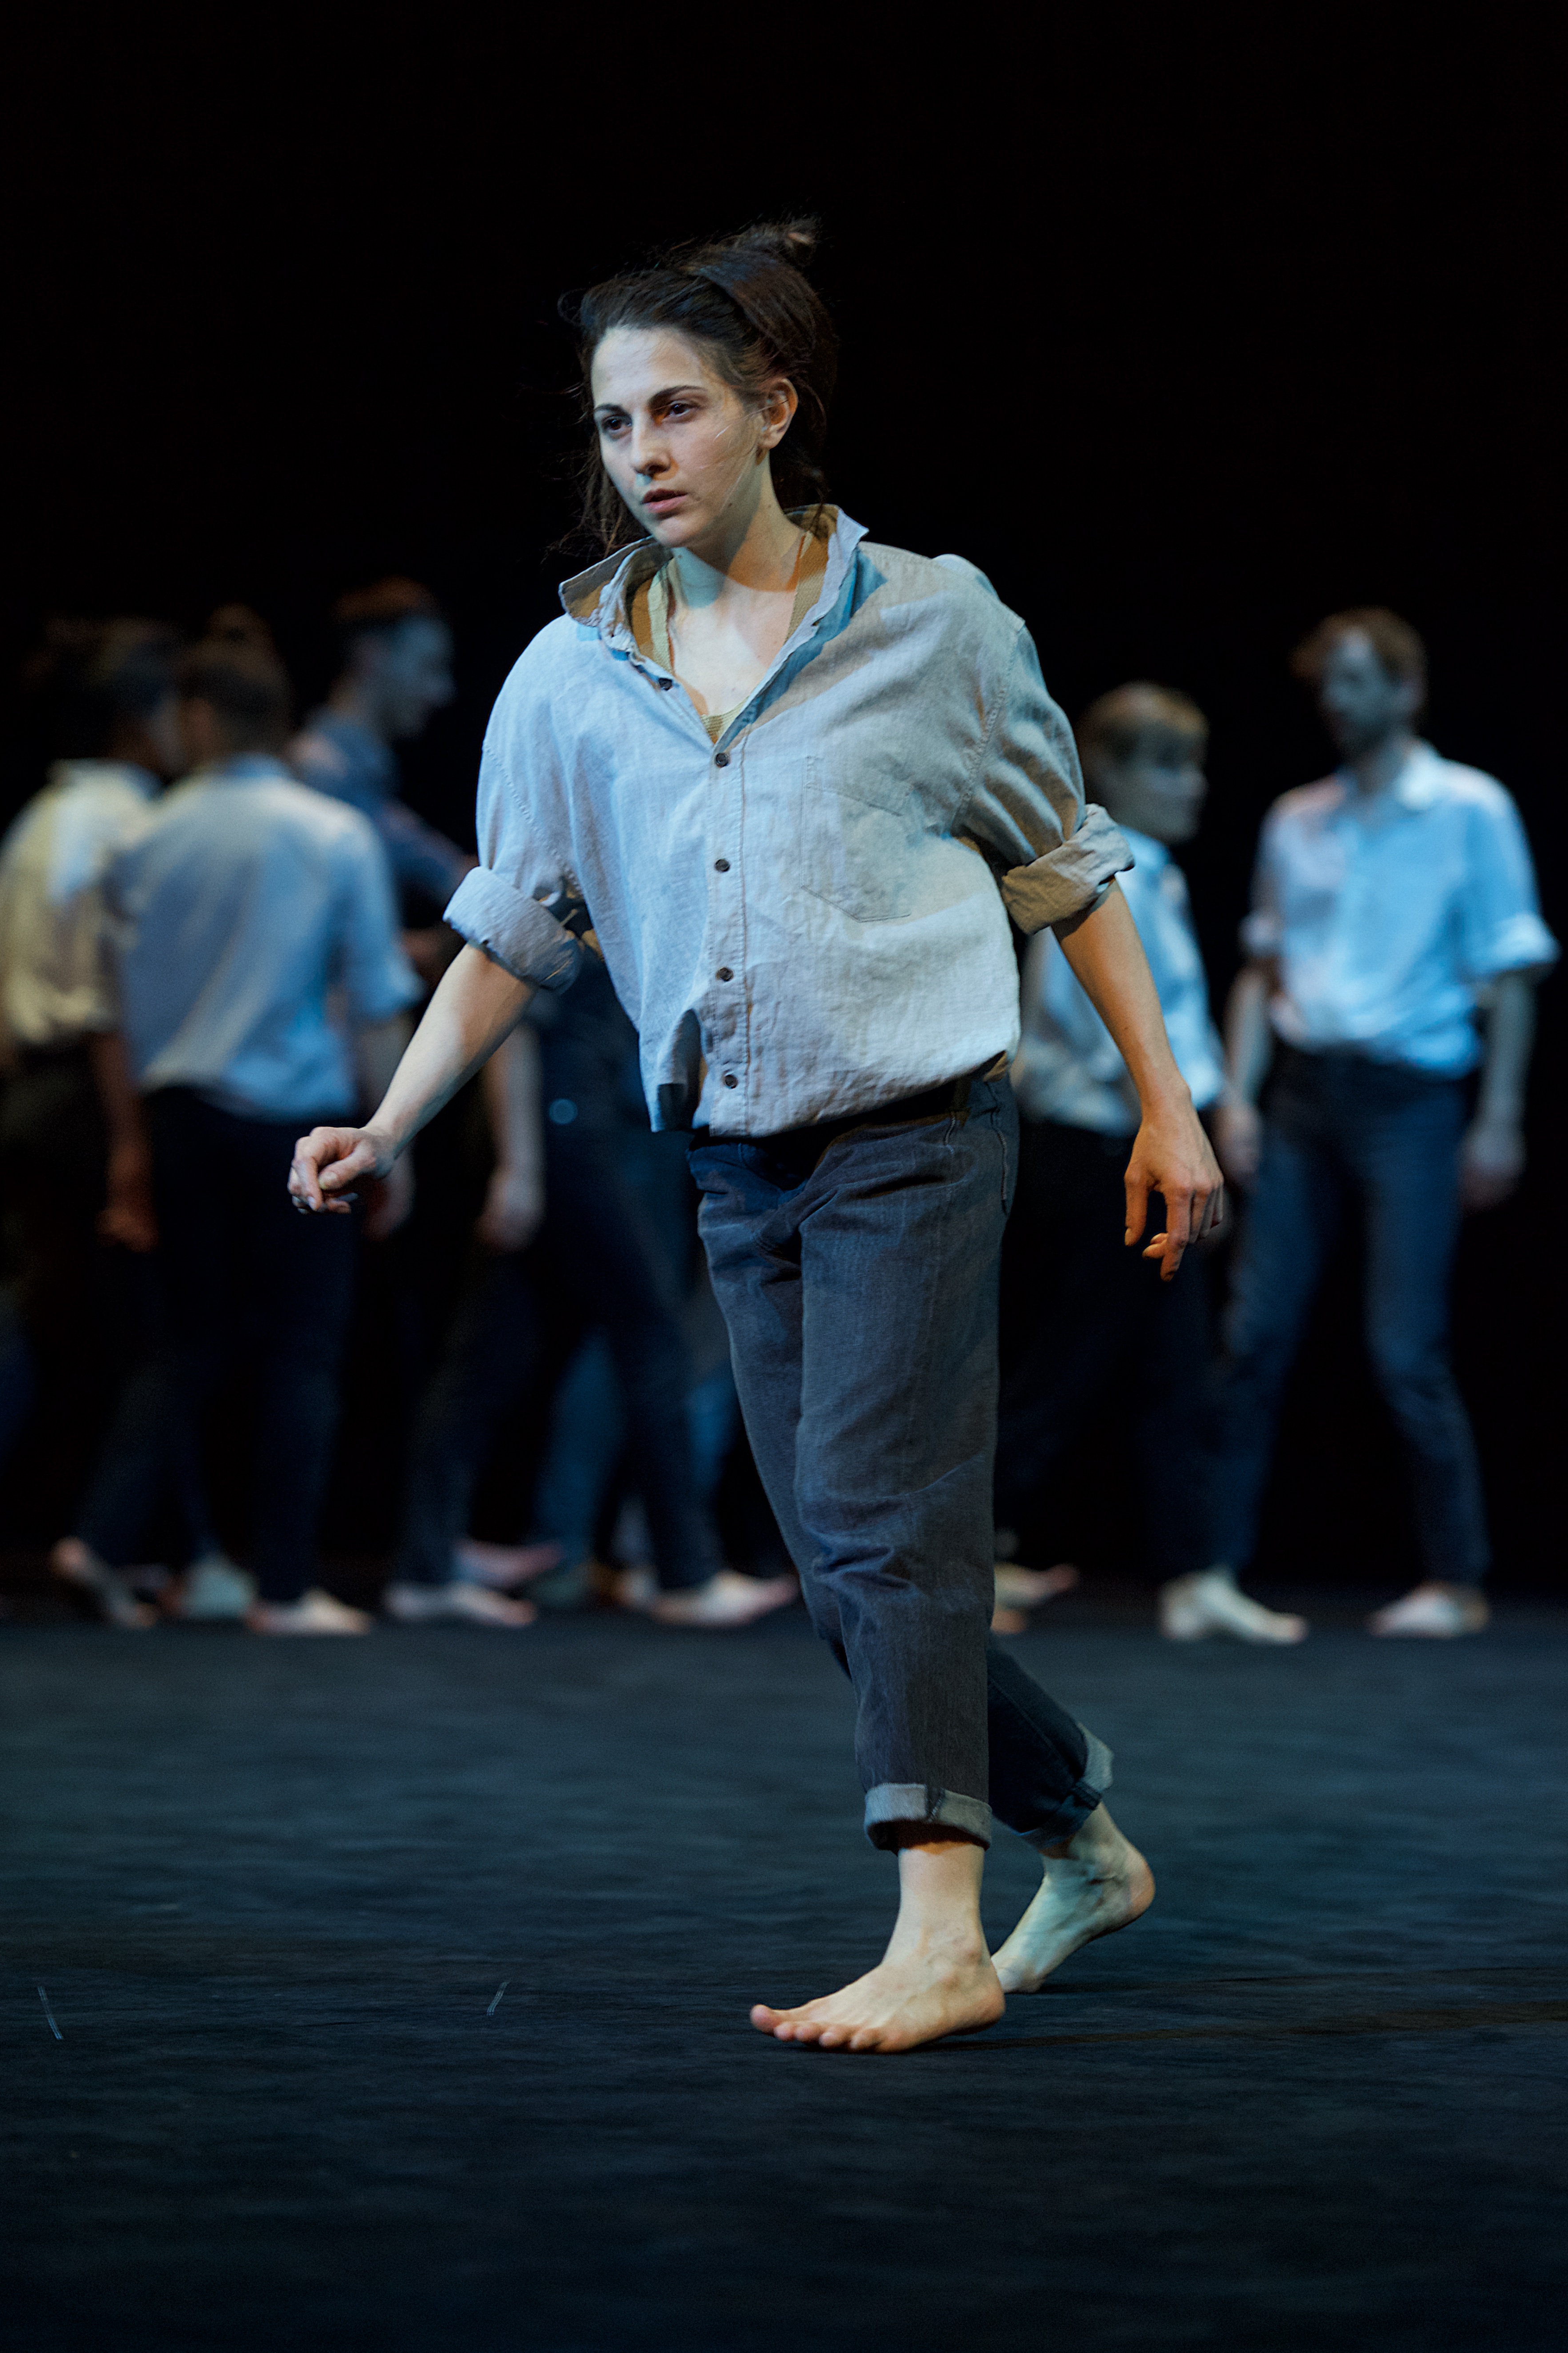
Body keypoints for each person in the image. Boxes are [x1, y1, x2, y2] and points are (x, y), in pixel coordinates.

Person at [291, 222, 1223, 2051]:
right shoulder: (572, 675)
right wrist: (391, 1118)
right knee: (836, 1563)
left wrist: (1168, 1105)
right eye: (613, 420)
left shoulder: (934, 624)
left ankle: (938, 1931)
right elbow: (515, 926)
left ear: (772, 409)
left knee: (891, 1517)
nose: (641, 451)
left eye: (678, 409)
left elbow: (1069, 868)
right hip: (733, 1155)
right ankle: (1082, 1834)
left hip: (919, 1126)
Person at [57, 628, 421, 1634]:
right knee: (302, 1351)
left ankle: (100, 1536)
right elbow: (375, 1000)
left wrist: (129, 1148)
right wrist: (393, 1141)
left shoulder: (141, 840)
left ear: (200, 716)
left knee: (185, 1346)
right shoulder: (329, 832)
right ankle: (285, 1588)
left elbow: (110, 1017)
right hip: (292, 1124)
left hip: (175, 1118)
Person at [1209, 609, 1557, 1638]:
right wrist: (1232, 1097)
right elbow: (1261, 969)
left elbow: (1510, 970)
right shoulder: (1296, 817)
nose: (1336, 700)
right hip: (1301, 1094)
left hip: (1410, 1097)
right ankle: (1208, 1569)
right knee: (1252, 1333)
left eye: (1356, 680)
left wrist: (1497, 1117)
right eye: (1326, 682)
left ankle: (1453, 1579)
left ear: (1405, 689)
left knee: (1404, 1347)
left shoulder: (1468, 808)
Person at [997, 683, 1305, 1644]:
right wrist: (1187, 1116)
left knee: (1172, 1363)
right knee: (1070, 1361)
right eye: (1168, 766)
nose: (1193, 785)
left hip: (1144, 1143)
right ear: (1112, 773)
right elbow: (1090, 1030)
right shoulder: (1101, 880)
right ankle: (975, 1550)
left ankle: (1191, 1570)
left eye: (1194, 764)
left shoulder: (1158, 875)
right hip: (1098, 1150)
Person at [383, 951, 797, 1629]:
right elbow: (510, 1025)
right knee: (651, 1339)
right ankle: (684, 1573)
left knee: (491, 1356)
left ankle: (425, 1565)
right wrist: (519, 1169)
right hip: (568, 1132)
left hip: (577, 1126)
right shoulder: (567, 907)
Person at [0, 619, 234, 1623]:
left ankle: (171, 1548)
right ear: (144, 717)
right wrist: (132, 1145)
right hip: (96, 1098)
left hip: (31, 1092)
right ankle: (131, 1545)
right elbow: (109, 1003)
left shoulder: (38, 820)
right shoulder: (131, 822)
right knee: (162, 1334)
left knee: (60, 1322)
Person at [290, 577, 474, 954]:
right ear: (372, 656)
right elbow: (306, 935)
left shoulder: (359, 775)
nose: (443, 691)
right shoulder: (318, 773)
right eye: (429, 667)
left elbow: (440, 867)